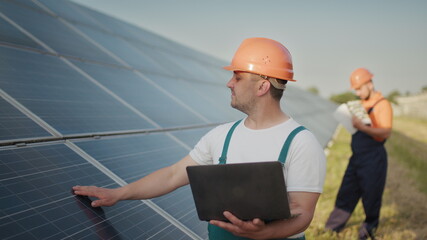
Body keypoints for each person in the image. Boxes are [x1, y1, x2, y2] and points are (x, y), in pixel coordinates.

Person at [73, 37, 326, 240]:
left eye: (237, 77)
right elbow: (173, 175)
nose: (229, 83)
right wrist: (119, 194)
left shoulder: (300, 143)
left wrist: (264, 234)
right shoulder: (222, 136)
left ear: (262, 86)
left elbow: (302, 213)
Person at [325, 68, 393, 240]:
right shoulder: (360, 104)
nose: (357, 92)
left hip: (373, 157)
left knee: (371, 196)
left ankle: (367, 231)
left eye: (359, 88)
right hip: (357, 157)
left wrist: (362, 128)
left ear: (369, 84)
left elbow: (385, 132)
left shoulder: (382, 104)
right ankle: (332, 228)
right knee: (346, 192)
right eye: (355, 89)